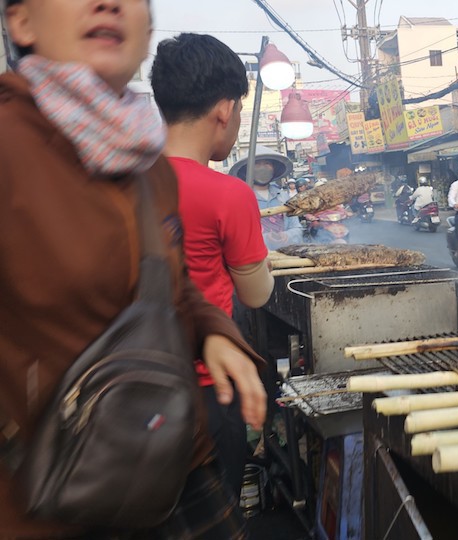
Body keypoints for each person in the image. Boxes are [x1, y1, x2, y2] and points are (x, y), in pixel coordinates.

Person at [0, 1, 266, 538]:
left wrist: (214, 333)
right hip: (53, 493)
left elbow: (167, 287)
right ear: (21, 22)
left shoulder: (144, 162)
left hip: (175, 455)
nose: (110, 3)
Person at [151, 32, 275, 499]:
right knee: (215, 509)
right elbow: (256, 295)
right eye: (240, 110)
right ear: (224, 109)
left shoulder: (123, 181)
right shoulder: (229, 193)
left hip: (136, 388)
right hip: (209, 388)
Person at [229, 146, 304, 250]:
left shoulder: (283, 196)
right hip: (255, 261)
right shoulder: (240, 198)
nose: (262, 167)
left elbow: (297, 228)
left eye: (267, 164)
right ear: (248, 169)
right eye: (257, 164)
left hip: (285, 257)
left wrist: (286, 236)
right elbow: (237, 236)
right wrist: (265, 238)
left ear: (274, 168)